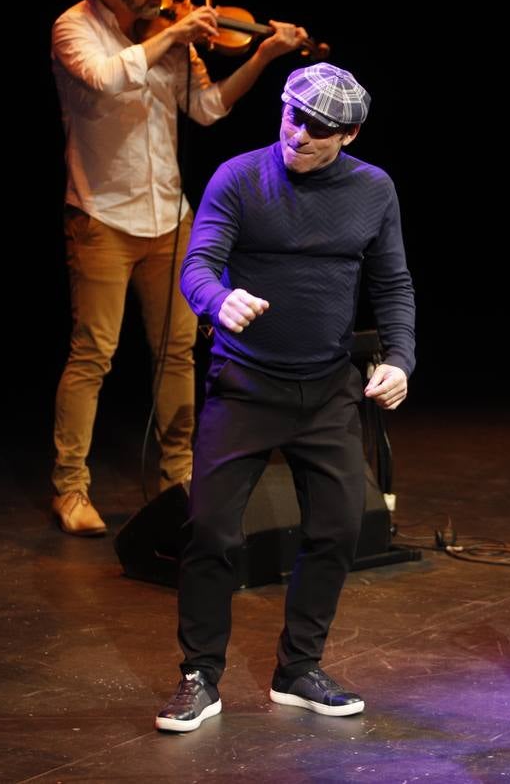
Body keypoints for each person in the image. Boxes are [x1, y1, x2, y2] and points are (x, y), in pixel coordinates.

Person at [155, 63, 415, 732]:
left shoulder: (373, 190)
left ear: (350, 134)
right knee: (211, 531)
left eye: (321, 129)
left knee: (336, 530)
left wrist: (402, 361)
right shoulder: (240, 176)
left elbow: (393, 286)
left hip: (328, 388)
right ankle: (199, 677)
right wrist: (219, 300)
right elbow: (199, 263)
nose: (300, 135)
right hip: (244, 385)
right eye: (293, 118)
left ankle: (299, 669)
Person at [50, 0, 308, 535]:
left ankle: (178, 476)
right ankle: (70, 488)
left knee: (178, 354)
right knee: (94, 355)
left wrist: (266, 53)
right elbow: (108, 78)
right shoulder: (74, 28)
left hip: (171, 219)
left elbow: (209, 108)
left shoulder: (171, 36)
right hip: (101, 217)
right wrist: (174, 38)